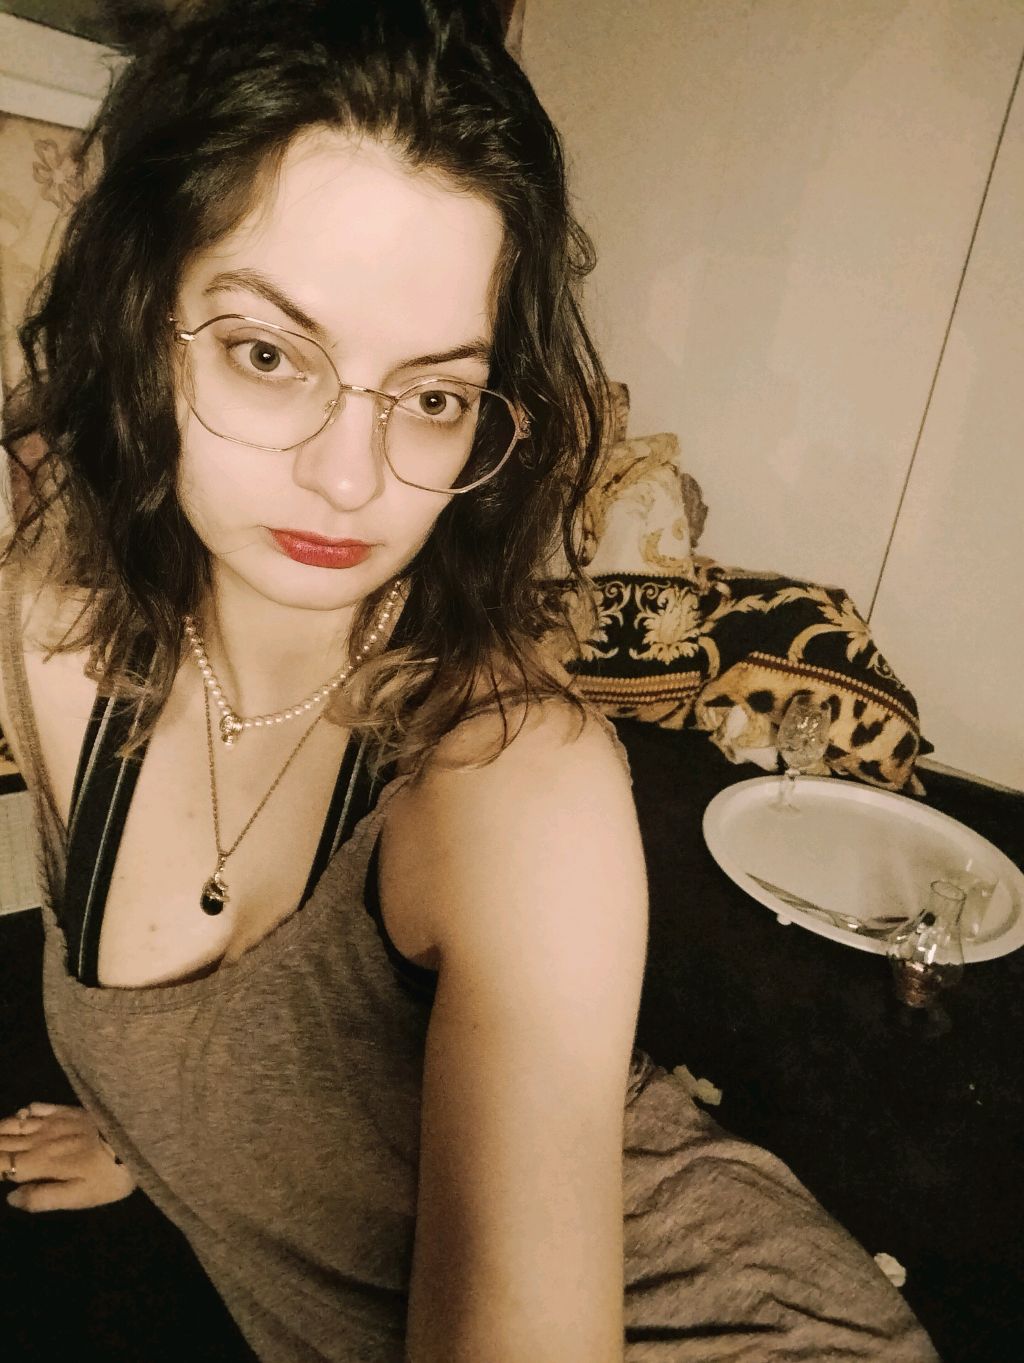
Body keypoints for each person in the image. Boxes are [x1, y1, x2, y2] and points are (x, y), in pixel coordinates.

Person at [0, 3, 938, 1360]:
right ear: (142, 322)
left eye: (434, 396)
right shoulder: (51, 611)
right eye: (268, 355)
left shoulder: (513, 782)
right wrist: (154, 1127)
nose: (351, 479)